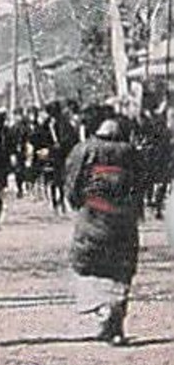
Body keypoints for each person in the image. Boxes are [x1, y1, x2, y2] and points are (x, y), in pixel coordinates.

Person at [64, 118, 143, 346]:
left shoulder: (85, 149)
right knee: (122, 269)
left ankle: (103, 309)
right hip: (124, 220)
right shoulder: (131, 152)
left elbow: (72, 181)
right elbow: (141, 184)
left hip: (93, 216)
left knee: (86, 264)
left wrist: (78, 203)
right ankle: (116, 322)